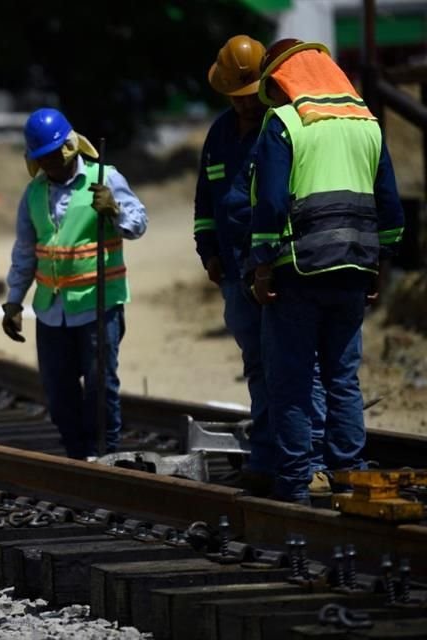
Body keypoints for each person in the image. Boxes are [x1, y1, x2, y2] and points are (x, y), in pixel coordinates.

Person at [248, 39, 405, 504]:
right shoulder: (368, 124)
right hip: (356, 269)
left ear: (284, 79)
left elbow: (272, 203)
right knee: (342, 376)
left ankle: (300, 477)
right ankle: (350, 472)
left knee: (292, 377)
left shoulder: (285, 123)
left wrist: (261, 266)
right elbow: (389, 205)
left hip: (298, 270)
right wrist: (380, 265)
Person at [197, 35, 330, 498]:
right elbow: (205, 201)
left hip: (278, 269)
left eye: (251, 95)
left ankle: (313, 458)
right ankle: (269, 452)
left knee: (294, 367)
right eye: (237, 97)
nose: (245, 105)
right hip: (236, 271)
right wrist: (207, 250)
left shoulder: (282, 127)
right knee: (257, 365)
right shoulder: (218, 134)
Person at [1, 108, 147, 460]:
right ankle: (76, 455)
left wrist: (115, 211)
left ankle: (104, 454)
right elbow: (25, 251)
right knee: (58, 392)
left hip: (98, 305)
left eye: (55, 155)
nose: (50, 163)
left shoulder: (105, 179)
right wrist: (14, 301)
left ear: (70, 147)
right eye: (42, 158)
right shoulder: (33, 194)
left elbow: (139, 224)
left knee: (100, 388)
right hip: (52, 311)